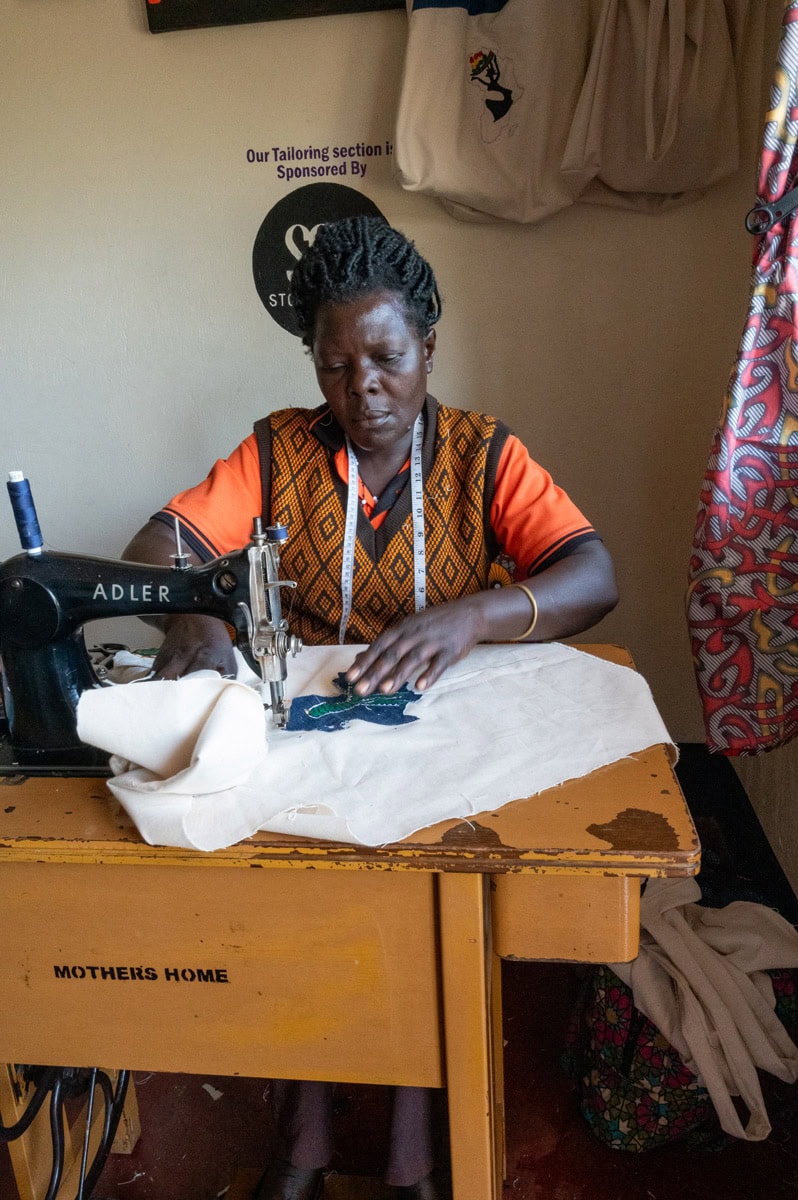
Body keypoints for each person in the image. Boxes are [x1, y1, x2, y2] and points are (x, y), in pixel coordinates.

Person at [123, 216, 618, 1200]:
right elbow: (160, 543)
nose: (364, 390)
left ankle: (407, 1148)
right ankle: (307, 1132)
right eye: (336, 364)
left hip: (442, 743)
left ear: (428, 349)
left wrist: (474, 615)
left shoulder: (483, 457)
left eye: (387, 358)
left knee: (418, 913)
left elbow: (592, 574)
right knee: (309, 909)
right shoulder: (277, 453)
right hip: (318, 734)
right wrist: (203, 612)